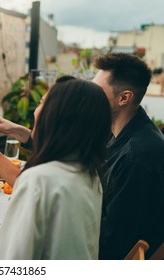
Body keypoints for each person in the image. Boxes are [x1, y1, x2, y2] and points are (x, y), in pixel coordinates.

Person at [0, 77, 112, 259]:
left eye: (42, 102)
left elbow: (10, 260)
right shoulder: (90, 175)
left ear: (56, 116)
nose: (36, 110)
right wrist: (16, 131)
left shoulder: (40, 179)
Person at [92, 52, 164, 259]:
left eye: (97, 91)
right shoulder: (115, 131)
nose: (90, 96)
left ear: (124, 97)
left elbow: (111, 243)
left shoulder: (137, 157)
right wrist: (25, 135)